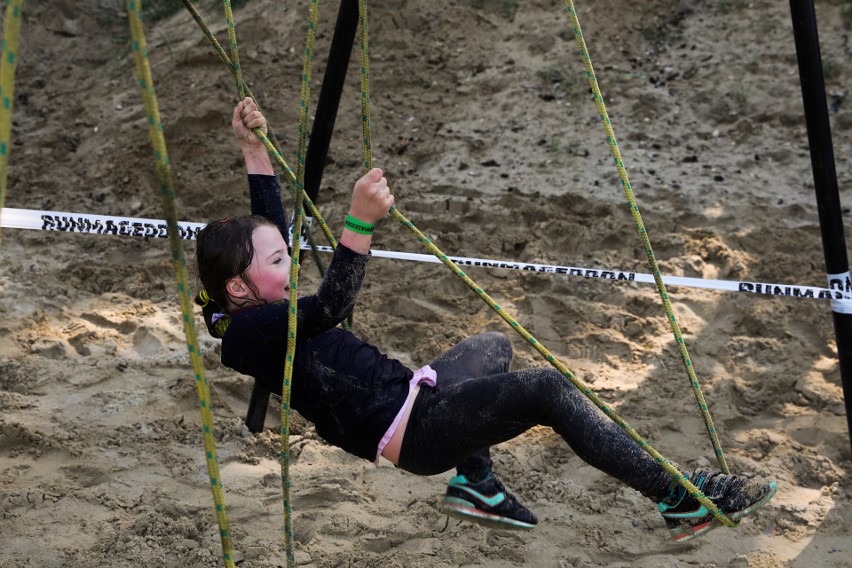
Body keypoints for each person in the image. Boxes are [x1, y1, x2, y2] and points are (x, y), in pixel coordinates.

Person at [194, 98, 777, 541]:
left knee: (494, 345)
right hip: (413, 434)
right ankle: (677, 500)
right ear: (238, 287)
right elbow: (332, 306)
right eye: (277, 261)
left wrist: (253, 149)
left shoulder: (257, 302)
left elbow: (266, 229)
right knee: (548, 389)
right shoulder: (246, 335)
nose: (289, 261)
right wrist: (360, 224)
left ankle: (476, 482)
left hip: (412, 396)